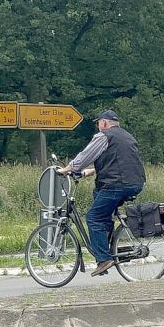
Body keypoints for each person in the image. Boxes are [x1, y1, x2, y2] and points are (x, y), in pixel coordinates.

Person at [58, 109, 146, 276]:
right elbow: (117, 163)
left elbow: (85, 156)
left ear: (104, 123)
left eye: (98, 123)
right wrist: (90, 172)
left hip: (116, 185)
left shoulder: (104, 136)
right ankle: (107, 248)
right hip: (135, 183)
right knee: (101, 203)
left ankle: (103, 259)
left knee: (93, 217)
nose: (98, 126)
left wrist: (67, 169)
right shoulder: (127, 136)